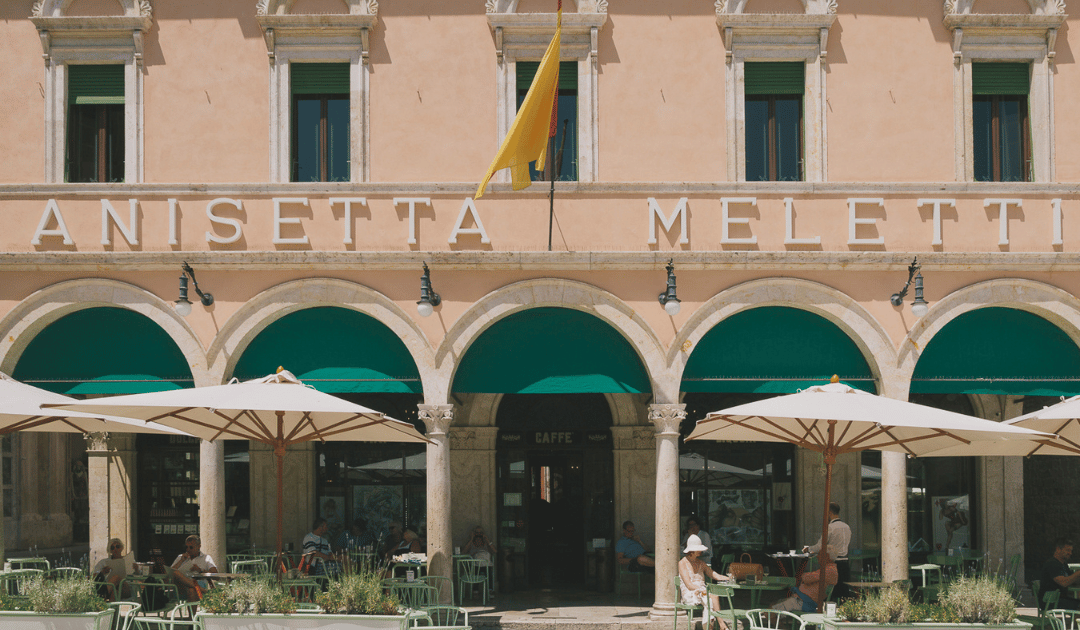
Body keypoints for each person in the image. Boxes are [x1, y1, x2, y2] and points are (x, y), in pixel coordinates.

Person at [679, 534, 731, 630]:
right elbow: (689, 585)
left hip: (703, 592)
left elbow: (713, 574)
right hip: (690, 592)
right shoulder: (682, 563)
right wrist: (703, 589)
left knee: (710, 601)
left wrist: (728, 578)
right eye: (699, 549)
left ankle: (710, 627)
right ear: (692, 550)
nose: (701, 551)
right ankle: (721, 624)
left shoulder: (701, 563)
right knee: (713, 597)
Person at [803, 502, 851, 599]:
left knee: (831, 595)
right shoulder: (847, 527)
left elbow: (820, 546)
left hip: (833, 564)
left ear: (829, 513)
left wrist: (808, 549)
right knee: (843, 596)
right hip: (845, 564)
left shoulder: (830, 527)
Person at [773, 556, 838, 613]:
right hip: (802, 600)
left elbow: (806, 578)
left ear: (827, 556)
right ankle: (782, 625)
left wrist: (806, 576)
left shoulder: (828, 570)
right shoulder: (828, 569)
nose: (817, 557)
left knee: (770, 612)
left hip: (804, 602)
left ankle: (780, 626)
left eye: (820, 554)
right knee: (774, 604)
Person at [170, 535, 218, 601]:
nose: (188, 550)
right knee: (175, 572)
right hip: (181, 589)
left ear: (199, 546)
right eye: (186, 547)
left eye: (191, 547)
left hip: (198, 592)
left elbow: (216, 576)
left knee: (192, 590)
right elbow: (170, 572)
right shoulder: (180, 557)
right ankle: (204, 590)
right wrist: (181, 561)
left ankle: (200, 590)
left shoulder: (206, 558)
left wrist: (200, 571)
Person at [1040, 537, 1080, 609]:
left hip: (1060, 599)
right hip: (1050, 602)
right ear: (1058, 549)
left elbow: (1072, 580)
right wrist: (1078, 573)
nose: (1070, 553)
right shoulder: (1052, 564)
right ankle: (1076, 620)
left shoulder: (1063, 564)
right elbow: (1064, 582)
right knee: (1078, 606)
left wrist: (1077, 577)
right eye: (1068, 550)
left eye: (1071, 551)